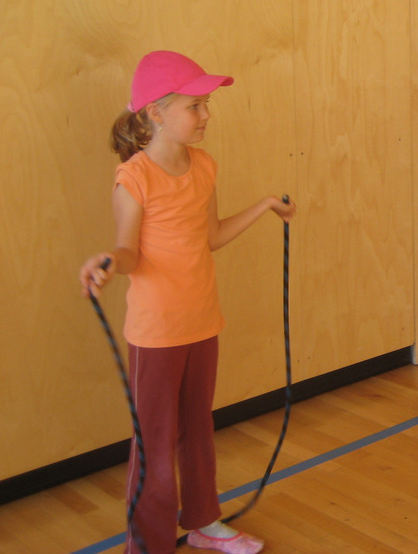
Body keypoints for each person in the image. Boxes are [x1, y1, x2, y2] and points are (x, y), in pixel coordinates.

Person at [79, 51, 295, 554]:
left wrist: (264, 206)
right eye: (195, 106)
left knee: (197, 429)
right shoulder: (134, 177)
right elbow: (129, 251)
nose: (206, 115)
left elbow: (211, 236)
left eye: (206, 105)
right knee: (153, 442)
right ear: (156, 112)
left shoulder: (204, 166)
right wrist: (108, 262)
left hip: (202, 321)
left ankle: (202, 521)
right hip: (156, 333)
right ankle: (148, 545)